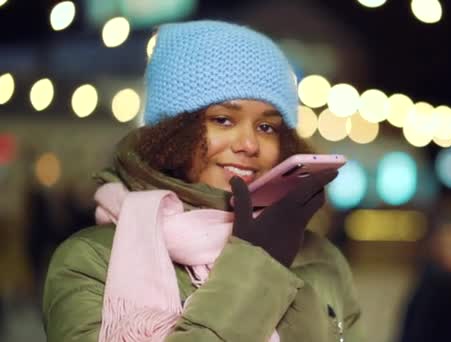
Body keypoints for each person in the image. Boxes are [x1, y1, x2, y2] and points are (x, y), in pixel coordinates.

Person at [42, 20, 362, 341]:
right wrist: (259, 264)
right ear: (172, 132)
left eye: (267, 127)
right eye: (223, 120)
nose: (249, 144)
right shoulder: (89, 260)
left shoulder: (322, 259)